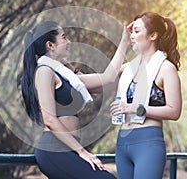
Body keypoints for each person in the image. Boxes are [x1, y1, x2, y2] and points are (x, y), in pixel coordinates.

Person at [21, 20, 129, 179]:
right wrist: (82, 151)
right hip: (54, 150)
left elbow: (107, 80)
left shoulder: (66, 74)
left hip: (67, 149)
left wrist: (127, 46)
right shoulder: (44, 71)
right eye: (64, 37)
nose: (68, 42)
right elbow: (49, 119)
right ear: (50, 45)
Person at [110, 12, 182, 179]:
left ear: (153, 35)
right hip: (122, 142)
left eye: (136, 31)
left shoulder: (166, 69)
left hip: (148, 143)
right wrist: (123, 41)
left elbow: (174, 111)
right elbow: (105, 78)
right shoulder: (128, 68)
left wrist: (135, 108)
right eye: (131, 32)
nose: (132, 36)